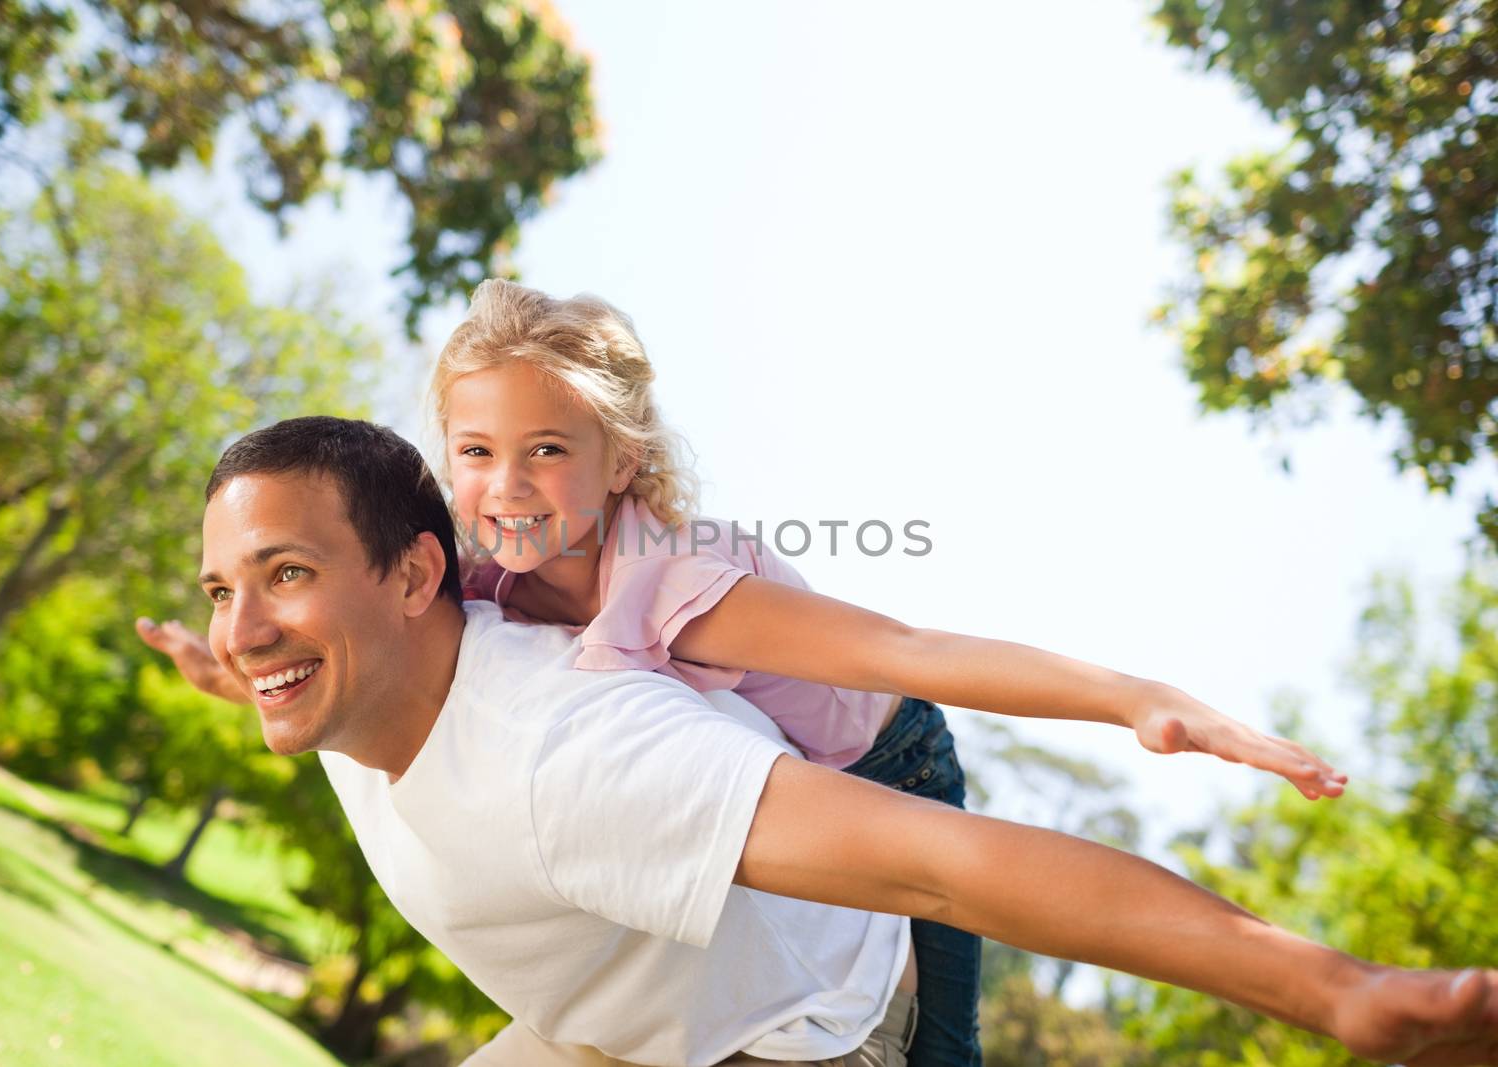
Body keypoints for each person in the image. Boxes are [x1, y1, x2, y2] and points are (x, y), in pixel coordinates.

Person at [150, 279, 1350, 1066]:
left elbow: (909, 651)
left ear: (619, 462)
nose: (505, 486)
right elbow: (350, 637)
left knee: (943, 1039)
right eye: (476, 451)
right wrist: (242, 669)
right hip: (764, 788)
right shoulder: (458, 569)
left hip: (888, 754)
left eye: (548, 451)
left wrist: (1137, 697)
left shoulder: (679, 588)